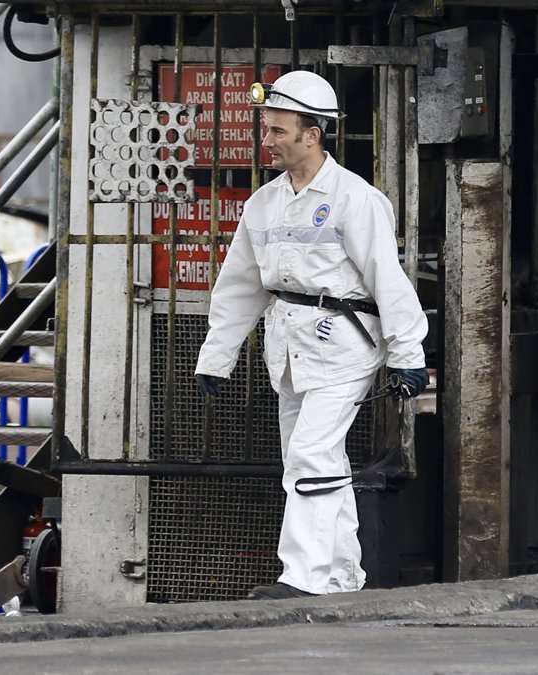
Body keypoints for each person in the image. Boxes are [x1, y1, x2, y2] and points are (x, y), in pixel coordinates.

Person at [194, 70, 429, 599]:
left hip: (345, 346)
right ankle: (342, 577)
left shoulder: (355, 200)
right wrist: (217, 356)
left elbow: (387, 280)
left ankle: (302, 577)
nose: (267, 141)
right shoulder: (263, 205)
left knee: (310, 454)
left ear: (312, 133)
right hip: (291, 349)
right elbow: (240, 286)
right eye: (267, 129)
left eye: (278, 130)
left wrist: (407, 352)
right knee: (317, 458)